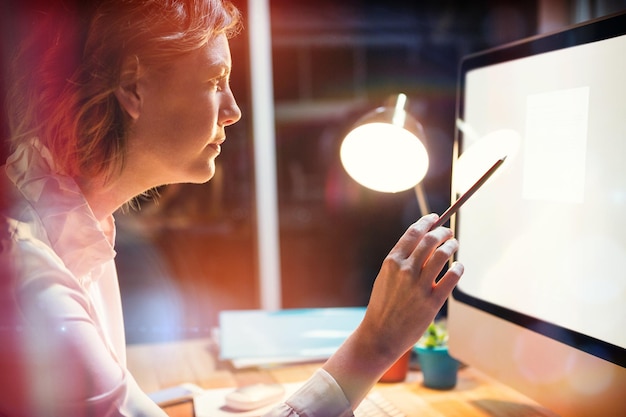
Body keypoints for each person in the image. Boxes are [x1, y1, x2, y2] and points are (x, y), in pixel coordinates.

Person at [0, 0, 464, 416]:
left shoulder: (73, 221)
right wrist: (375, 344)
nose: (234, 109)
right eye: (214, 80)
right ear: (132, 87)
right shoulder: (33, 284)